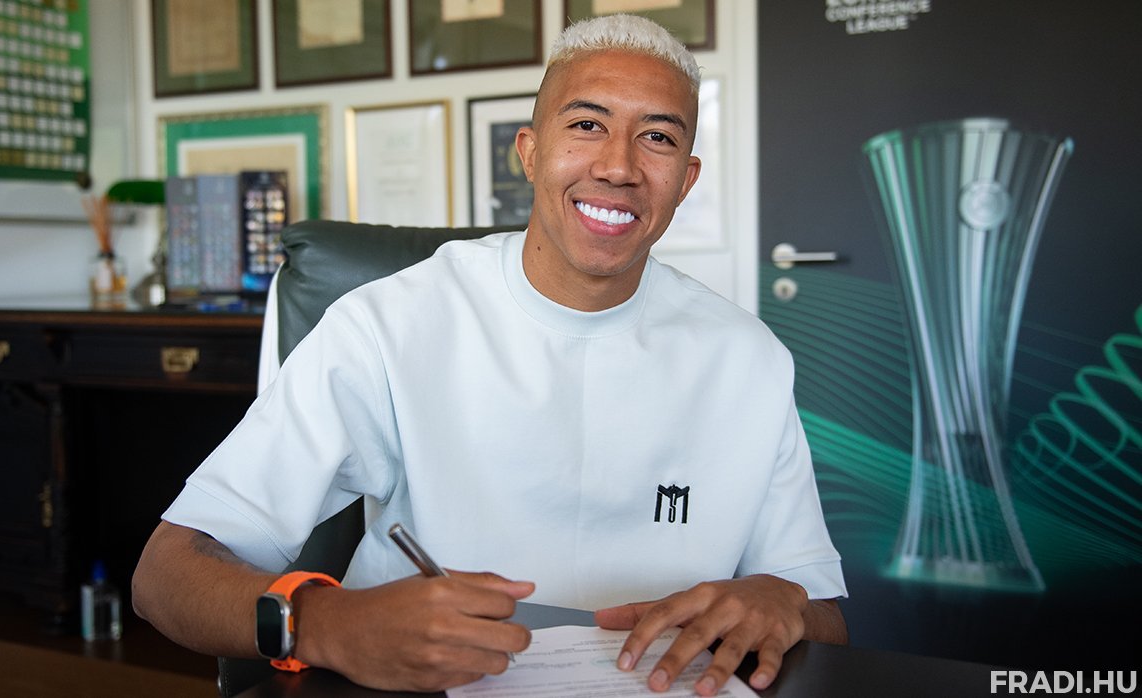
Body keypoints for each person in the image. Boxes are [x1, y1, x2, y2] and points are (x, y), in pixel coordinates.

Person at [133, 14, 848, 696]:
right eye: (587, 125)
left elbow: (822, 616)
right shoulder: (390, 324)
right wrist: (329, 624)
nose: (618, 166)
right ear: (530, 152)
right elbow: (165, 575)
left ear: (685, 181)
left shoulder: (749, 360)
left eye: (656, 138)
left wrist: (783, 602)